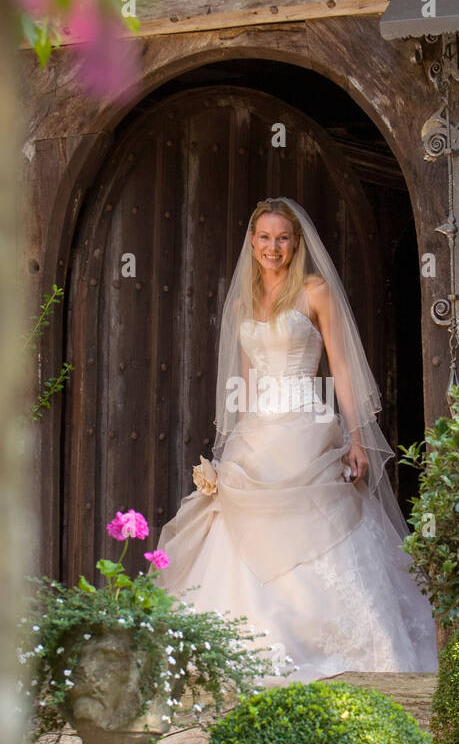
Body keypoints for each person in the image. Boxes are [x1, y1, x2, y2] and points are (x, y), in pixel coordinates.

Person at [153, 196, 438, 682]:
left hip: (308, 424)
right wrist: (232, 454)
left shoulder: (315, 290)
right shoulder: (244, 299)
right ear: (252, 241)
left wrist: (355, 436)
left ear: (296, 242)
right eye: (264, 237)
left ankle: (341, 649)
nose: (272, 246)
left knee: (324, 525)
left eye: (282, 237)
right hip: (258, 432)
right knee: (234, 527)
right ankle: (243, 656)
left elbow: (342, 369)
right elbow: (242, 386)